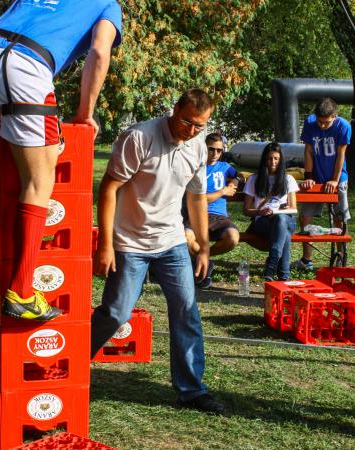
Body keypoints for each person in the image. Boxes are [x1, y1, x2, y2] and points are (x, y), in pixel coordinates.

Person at [0, 1, 122, 321]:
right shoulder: (108, 5)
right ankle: (22, 294)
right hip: (27, 66)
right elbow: (100, 52)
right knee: (39, 181)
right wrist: (85, 113)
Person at [91, 88, 227, 415]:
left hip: (172, 241)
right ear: (175, 109)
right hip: (129, 242)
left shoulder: (196, 145)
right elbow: (108, 188)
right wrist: (106, 244)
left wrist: (204, 246)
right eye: (187, 122)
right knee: (116, 313)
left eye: (200, 126)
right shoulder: (138, 138)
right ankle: (69, 363)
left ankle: (192, 390)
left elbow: (195, 197)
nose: (192, 131)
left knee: (187, 311)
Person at [292, 97, 351, 271]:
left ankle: (340, 259)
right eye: (320, 121)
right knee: (305, 217)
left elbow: (341, 155)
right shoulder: (310, 123)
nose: (322, 126)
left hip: (338, 178)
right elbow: (308, 150)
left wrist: (334, 179)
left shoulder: (344, 126)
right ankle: (306, 260)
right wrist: (309, 176)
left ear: (335, 116)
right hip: (316, 179)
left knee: (339, 220)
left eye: (326, 122)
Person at [184, 132, 240, 288]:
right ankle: (205, 263)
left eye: (219, 150)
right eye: (211, 149)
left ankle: (203, 259)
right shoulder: (195, 168)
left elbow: (240, 176)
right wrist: (223, 192)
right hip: (197, 214)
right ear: (204, 148)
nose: (215, 153)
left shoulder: (225, 167)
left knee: (233, 238)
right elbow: (198, 199)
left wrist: (233, 184)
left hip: (219, 217)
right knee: (185, 237)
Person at [243, 142, 299, 281]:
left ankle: (271, 265)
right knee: (283, 232)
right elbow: (246, 210)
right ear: (264, 160)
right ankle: (283, 277)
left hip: (285, 220)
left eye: (276, 158)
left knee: (281, 220)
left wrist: (285, 209)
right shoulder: (254, 179)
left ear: (280, 160)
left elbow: (294, 208)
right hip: (263, 222)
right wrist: (259, 212)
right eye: (269, 158)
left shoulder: (288, 179)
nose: (272, 162)